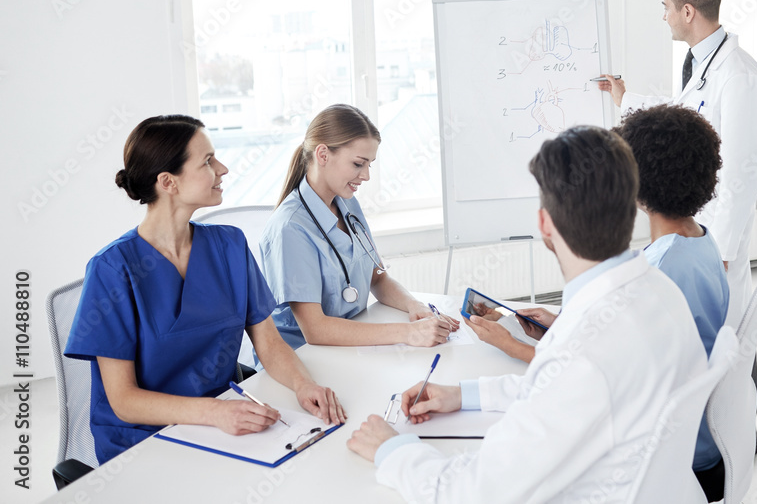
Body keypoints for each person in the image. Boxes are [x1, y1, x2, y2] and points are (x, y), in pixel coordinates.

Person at [346, 125, 708, 502]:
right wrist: (463, 395)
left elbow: (475, 492)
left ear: (544, 224)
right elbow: (555, 387)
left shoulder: (585, 353)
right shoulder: (659, 289)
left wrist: (391, 450)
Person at [65, 115, 345, 465]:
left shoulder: (229, 245)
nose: (222, 168)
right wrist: (213, 413)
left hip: (226, 423)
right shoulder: (112, 268)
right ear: (169, 182)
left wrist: (304, 386)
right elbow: (123, 400)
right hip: (144, 442)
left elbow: (270, 344)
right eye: (208, 161)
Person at [598, 0, 757, 331]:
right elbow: (686, 111)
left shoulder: (741, 77)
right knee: (693, 338)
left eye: (666, 7)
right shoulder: (702, 63)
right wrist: (627, 98)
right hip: (696, 228)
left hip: (717, 241)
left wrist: (721, 251)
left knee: (725, 342)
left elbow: (745, 172)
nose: (664, 17)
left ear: (687, 11)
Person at [259, 104, 458, 349]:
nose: (366, 176)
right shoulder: (290, 228)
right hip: (304, 358)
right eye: (357, 164)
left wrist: (415, 306)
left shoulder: (347, 204)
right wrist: (408, 333)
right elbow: (315, 330)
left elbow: (378, 277)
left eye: (369, 165)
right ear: (323, 155)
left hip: (351, 345)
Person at [615, 104, 731, 502]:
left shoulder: (660, 270)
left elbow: (612, 376)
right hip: (709, 437)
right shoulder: (700, 240)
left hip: (677, 453)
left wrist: (511, 345)